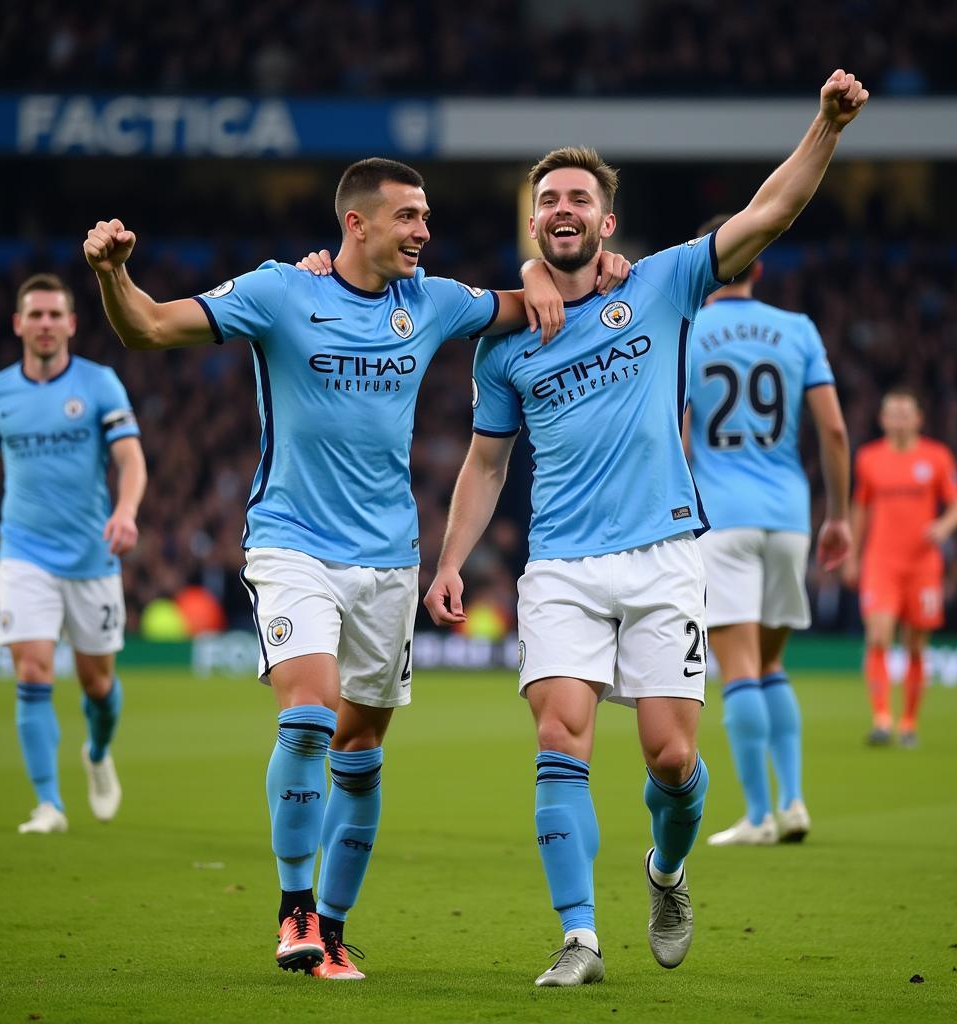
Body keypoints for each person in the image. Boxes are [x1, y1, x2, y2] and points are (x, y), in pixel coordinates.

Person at [82, 157, 628, 981]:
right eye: (408, 217)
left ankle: (332, 929)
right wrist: (112, 274)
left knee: (362, 748)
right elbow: (149, 328)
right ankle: (294, 909)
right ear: (356, 224)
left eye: (427, 217)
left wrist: (551, 267)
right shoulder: (278, 293)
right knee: (308, 712)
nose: (424, 231)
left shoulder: (433, 302)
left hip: (388, 560)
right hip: (292, 540)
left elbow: (547, 297)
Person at [424, 69, 868, 987]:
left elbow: (768, 214)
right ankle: (579, 937)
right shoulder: (504, 342)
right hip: (560, 567)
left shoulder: (665, 284)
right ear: (534, 222)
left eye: (579, 197)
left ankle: (666, 871)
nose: (562, 208)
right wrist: (452, 559)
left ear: (607, 222)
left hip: (667, 554)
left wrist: (824, 127)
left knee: (672, 758)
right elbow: (488, 461)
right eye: (547, 199)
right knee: (561, 740)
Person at [683, 220, 851, 846]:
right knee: (774, 662)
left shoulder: (690, 329)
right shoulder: (798, 329)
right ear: (757, 266)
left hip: (720, 515)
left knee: (741, 669)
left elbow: (680, 426)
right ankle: (796, 800)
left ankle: (757, 817)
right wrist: (839, 514)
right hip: (789, 516)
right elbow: (833, 432)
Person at [0, 273, 146, 834]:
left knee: (97, 684)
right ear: (18, 324)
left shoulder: (99, 384)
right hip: (23, 551)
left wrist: (125, 511)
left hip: (92, 554)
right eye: (35, 315)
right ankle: (49, 804)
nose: (45, 324)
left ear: (71, 323)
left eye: (54, 315)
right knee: (34, 669)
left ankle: (96, 750)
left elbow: (131, 459)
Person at [843, 387, 957, 747]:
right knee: (879, 636)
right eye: (891, 413)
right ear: (882, 419)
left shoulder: (937, 457)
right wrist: (853, 555)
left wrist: (944, 526)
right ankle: (882, 718)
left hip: (922, 565)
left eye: (904, 412)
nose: (898, 419)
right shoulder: (868, 458)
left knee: (915, 645)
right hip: (881, 561)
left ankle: (909, 723)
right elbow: (860, 508)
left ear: (918, 418)